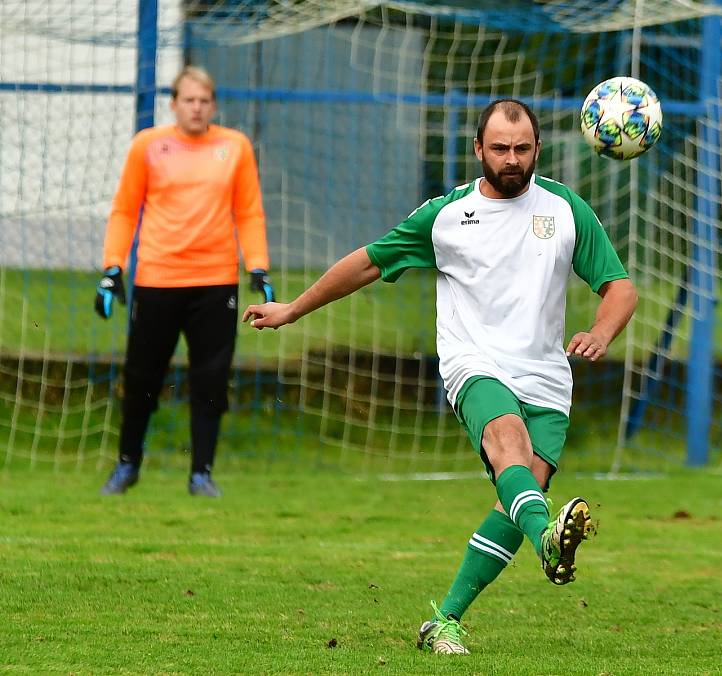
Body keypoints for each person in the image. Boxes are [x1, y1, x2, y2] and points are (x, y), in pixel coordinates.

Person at [243, 99, 637, 652]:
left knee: (518, 497)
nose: (511, 159)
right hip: (474, 364)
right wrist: (291, 310)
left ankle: (444, 620)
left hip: (547, 376)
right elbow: (366, 261)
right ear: (478, 150)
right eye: (499, 148)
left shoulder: (566, 210)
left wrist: (600, 331)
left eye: (522, 149)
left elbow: (620, 289)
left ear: (538, 150)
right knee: (510, 447)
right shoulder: (447, 216)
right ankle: (547, 537)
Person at [96, 65, 274, 498]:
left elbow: (248, 211)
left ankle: (201, 474)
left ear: (213, 105)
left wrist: (258, 266)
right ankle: (127, 465)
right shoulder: (147, 146)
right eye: (188, 100)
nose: (196, 108)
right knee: (141, 378)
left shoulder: (234, 147)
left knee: (211, 381)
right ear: (173, 103)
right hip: (157, 280)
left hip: (215, 283)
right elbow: (124, 210)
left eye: (204, 101)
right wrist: (112, 268)